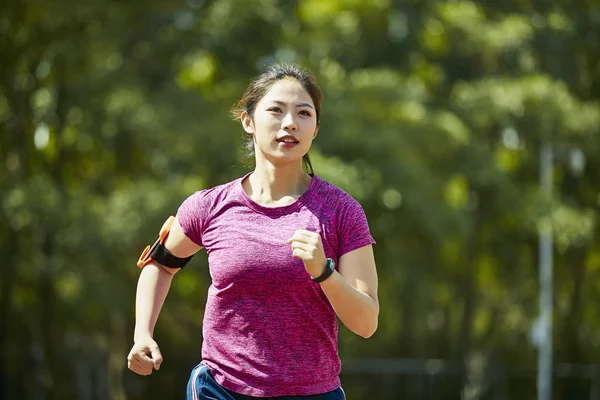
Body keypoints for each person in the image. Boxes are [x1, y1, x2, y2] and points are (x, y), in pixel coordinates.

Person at [127, 63, 379, 400]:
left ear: (315, 129)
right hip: (221, 388)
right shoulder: (209, 206)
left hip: (313, 393)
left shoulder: (342, 211)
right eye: (276, 110)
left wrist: (325, 272)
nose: (290, 122)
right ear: (248, 121)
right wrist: (142, 333)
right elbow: (159, 265)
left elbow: (366, 323)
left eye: (304, 113)